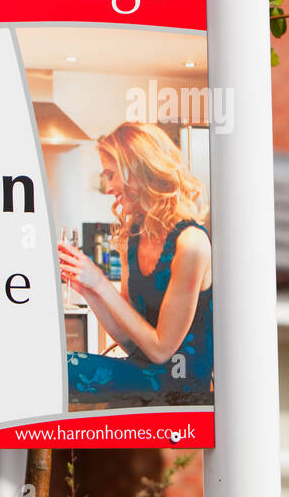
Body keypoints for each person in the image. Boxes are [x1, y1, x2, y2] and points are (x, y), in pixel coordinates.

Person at [60, 122, 214, 406]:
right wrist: (88, 290)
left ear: (139, 170)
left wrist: (101, 284)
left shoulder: (191, 243)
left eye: (111, 174)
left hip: (182, 388)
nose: (108, 188)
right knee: (51, 369)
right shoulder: (132, 239)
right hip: (142, 377)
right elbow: (129, 340)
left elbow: (159, 350)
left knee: (57, 370)